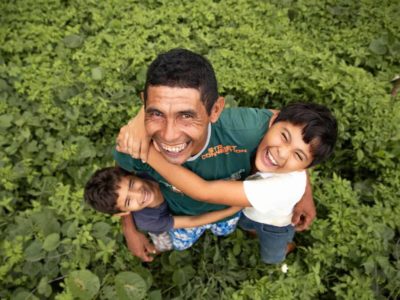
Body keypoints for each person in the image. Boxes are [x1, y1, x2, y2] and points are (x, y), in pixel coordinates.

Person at [114, 48, 316, 262]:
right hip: (180, 216)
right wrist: (130, 229)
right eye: (156, 113)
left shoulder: (246, 131)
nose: (169, 135)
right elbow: (119, 180)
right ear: (144, 102)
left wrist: (304, 192)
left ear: (216, 109)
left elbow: (298, 134)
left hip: (229, 212)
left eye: (186, 116)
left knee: (226, 227)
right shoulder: (133, 144)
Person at [145, 102, 338, 264]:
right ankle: (252, 231)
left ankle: (285, 250)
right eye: (284, 136)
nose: (282, 152)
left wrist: (147, 152)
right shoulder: (266, 124)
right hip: (246, 208)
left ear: (303, 168)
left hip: (274, 222)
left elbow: (203, 191)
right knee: (247, 223)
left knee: (272, 250)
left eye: (297, 155)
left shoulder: (280, 189)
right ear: (273, 121)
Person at [84, 166, 241, 252]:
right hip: (174, 225)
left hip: (183, 209)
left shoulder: (151, 169)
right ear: (124, 212)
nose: (138, 194)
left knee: (224, 228)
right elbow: (192, 221)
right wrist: (231, 209)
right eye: (128, 201)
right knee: (180, 242)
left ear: (132, 173)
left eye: (132, 185)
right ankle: (157, 246)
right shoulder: (147, 220)